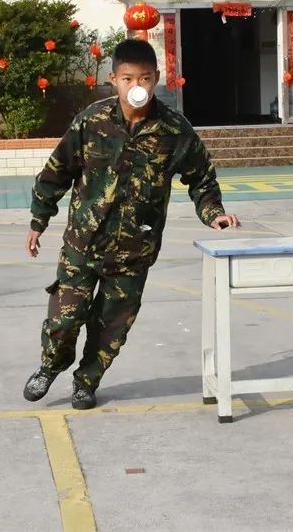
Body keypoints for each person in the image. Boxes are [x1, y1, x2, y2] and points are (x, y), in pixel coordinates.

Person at [23, 38, 240, 409]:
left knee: (111, 327)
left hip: (134, 251)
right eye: (127, 79)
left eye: (144, 79)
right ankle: (51, 365)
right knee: (64, 318)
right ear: (114, 80)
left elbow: (201, 177)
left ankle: (86, 382)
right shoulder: (91, 121)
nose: (136, 87)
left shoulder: (173, 130)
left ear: (156, 79)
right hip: (83, 244)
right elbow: (57, 170)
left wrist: (213, 212)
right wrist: (38, 219)